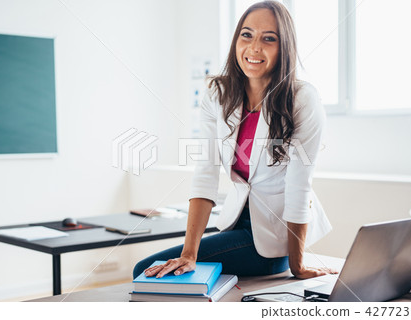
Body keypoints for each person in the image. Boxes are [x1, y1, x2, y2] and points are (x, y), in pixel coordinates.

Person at [133, 1, 335, 280]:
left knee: (143, 271)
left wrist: (297, 265)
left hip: (275, 241)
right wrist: (189, 254)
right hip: (235, 227)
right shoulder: (218, 94)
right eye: (247, 34)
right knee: (158, 271)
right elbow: (205, 174)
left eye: (269, 39)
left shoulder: (302, 98)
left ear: (284, 46)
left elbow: (299, 186)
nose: (254, 48)